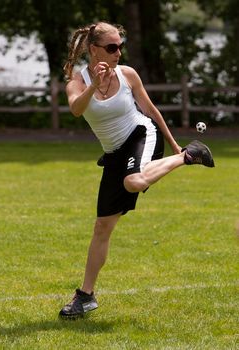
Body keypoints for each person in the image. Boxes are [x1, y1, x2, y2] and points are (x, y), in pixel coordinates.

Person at [59, 22, 214, 319]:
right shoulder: (77, 83)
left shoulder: (127, 74)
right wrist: (94, 84)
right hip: (113, 153)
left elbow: (151, 110)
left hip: (142, 134)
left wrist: (175, 146)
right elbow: (77, 109)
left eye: (120, 46)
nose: (118, 53)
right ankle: (86, 296)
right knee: (102, 227)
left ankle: (190, 156)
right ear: (93, 50)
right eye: (112, 47)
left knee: (134, 181)